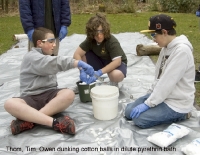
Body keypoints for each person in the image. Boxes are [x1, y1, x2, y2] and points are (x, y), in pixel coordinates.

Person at [4, 27, 94, 135]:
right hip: (30, 98)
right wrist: (77, 63)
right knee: (9, 103)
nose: (54, 45)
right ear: (39, 43)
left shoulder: (48, 56)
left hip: (49, 96)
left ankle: (30, 120)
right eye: (51, 41)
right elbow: (52, 63)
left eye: (54, 41)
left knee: (69, 94)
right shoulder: (31, 57)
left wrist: (81, 69)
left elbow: (53, 62)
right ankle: (54, 123)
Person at [125, 14, 195, 128]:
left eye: (153, 35)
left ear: (164, 32)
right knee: (128, 112)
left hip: (176, 103)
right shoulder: (165, 48)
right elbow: (159, 76)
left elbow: (167, 82)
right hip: (162, 96)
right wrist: (150, 95)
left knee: (139, 119)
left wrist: (148, 103)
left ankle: (183, 115)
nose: (153, 39)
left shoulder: (182, 51)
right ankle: (155, 104)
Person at [73, 13, 127, 85]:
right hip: (100, 61)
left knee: (116, 75)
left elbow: (117, 62)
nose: (99, 35)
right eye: (96, 32)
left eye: (101, 31)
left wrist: (100, 72)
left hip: (114, 63)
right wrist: (82, 70)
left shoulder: (112, 41)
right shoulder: (90, 39)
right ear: (91, 32)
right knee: (82, 55)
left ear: (105, 30)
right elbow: (77, 54)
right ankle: (89, 78)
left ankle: (108, 79)